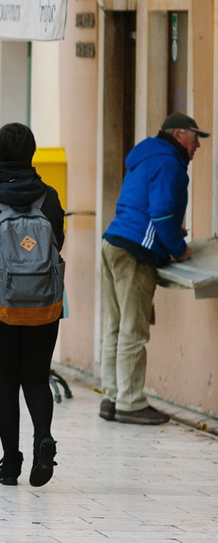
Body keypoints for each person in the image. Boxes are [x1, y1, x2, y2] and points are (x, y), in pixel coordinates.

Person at [0, 123, 65, 487]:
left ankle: (10, 463)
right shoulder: (49, 197)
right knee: (37, 377)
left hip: (0, 303)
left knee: (6, 381)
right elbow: (57, 244)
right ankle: (43, 437)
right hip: (44, 300)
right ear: (31, 152)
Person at [99, 113, 205, 425]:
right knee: (133, 329)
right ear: (179, 134)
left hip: (114, 241)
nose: (198, 145)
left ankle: (112, 396)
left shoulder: (147, 155)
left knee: (116, 325)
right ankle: (130, 403)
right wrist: (179, 248)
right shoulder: (169, 162)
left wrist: (170, 230)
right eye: (195, 138)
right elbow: (159, 215)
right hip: (135, 251)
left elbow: (145, 207)